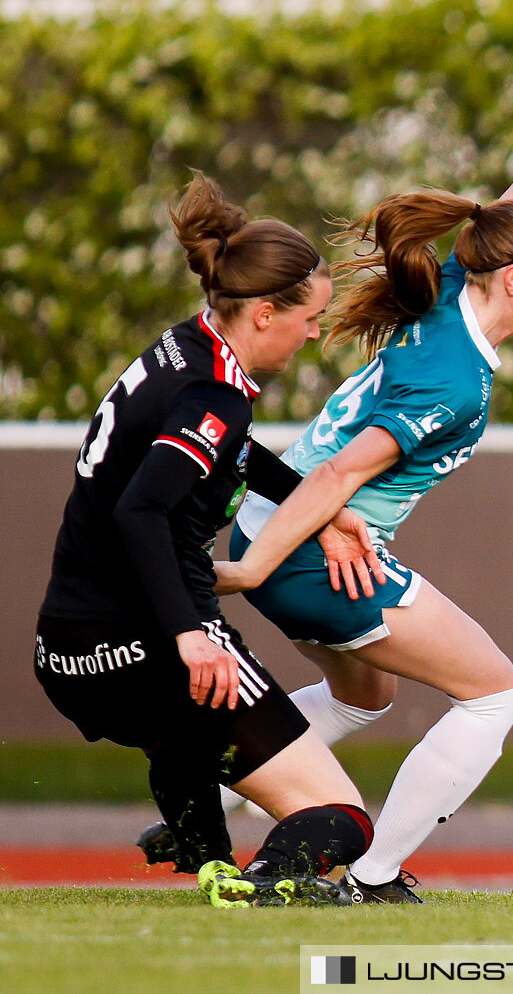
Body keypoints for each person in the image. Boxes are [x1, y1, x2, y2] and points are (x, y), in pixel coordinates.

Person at [204, 28, 513, 904]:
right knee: (496, 694)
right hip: (303, 549)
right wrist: (253, 571)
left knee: (362, 701)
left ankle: (206, 798)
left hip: (281, 528)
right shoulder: (452, 381)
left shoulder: (459, 292)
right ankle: (372, 878)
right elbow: (343, 473)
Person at [36, 173, 381, 907]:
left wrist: (318, 505)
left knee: (186, 734)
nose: (315, 332)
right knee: (343, 823)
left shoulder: (183, 350)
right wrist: (192, 634)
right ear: (263, 313)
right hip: (150, 648)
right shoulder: (212, 394)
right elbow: (142, 511)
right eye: (312, 317)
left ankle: (199, 845)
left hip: (66, 648)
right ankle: (256, 885)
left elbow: (224, 455)